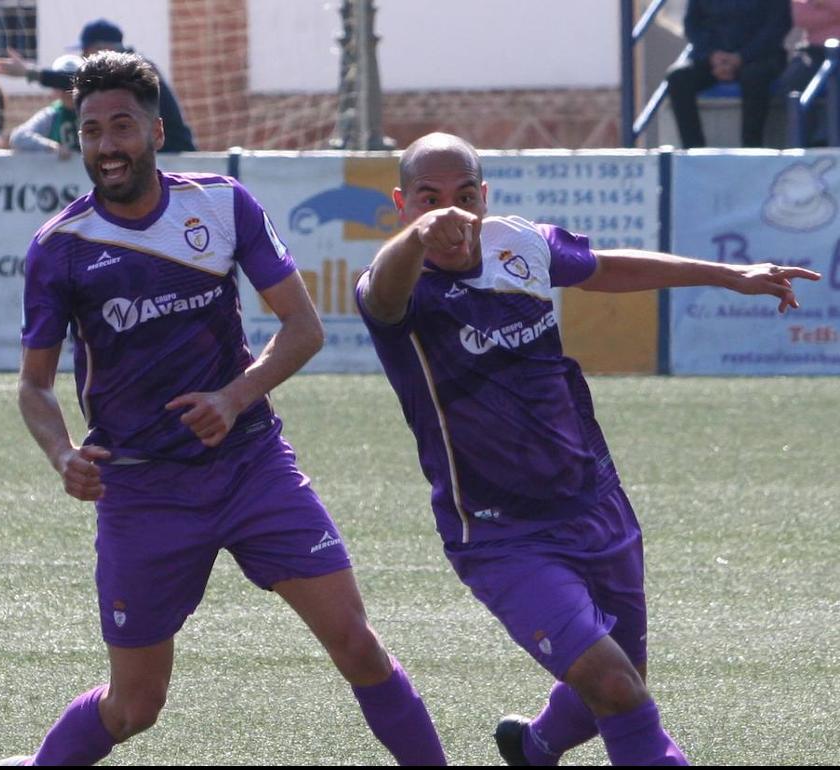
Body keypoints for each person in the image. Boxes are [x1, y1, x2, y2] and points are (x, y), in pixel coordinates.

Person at [8, 52, 446, 766]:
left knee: (357, 644)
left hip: (250, 466)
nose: (108, 146)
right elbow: (33, 386)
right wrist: (61, 453)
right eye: (91, 132)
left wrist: (234, 395)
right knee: (134, 707)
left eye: (122, 126)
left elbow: (303, 329)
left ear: (155, 131)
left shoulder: (221, 204)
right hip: (143, 489)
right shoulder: (58, 250)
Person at [356, 132, 821, 766]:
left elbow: (606, 267)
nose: (451, 214)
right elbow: (381, 294)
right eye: (429, 199)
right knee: (614, 687)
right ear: (401, 205)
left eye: (465, 196)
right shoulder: (398, 288)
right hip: (500, 532)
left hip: (593, 500)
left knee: (622, 675)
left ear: (484, 197)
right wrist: (417, 238)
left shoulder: (518, 244)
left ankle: (534, 746)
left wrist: (729, 275)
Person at [0, 18, 196, 152]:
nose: (84, 60)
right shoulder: (133, 66)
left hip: (175, 158)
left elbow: (76, 79)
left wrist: (29, 72)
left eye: (85, 53)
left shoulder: (132, 68)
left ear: (100, 49)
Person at [666, 0, 793, 148]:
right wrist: (712, 56)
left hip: (761, 57)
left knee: (754, 77)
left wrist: (741, 57)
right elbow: (692, 24)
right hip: (713, 58)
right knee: (678, 78)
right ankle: (694, 151)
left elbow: (778, 25)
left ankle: (752, 149)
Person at [783, 0, 840, 145]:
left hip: (836, 54)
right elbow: (801, 18)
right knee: (795, 78)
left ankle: (829, 138)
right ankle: (805, 143)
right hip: (813, 52)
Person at [7, 54, 81, 158]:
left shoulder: (92, 111)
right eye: (62, 86)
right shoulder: (52, 114)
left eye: (72, 87)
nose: (68, 92)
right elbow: (18, 138)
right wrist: (52, 147)